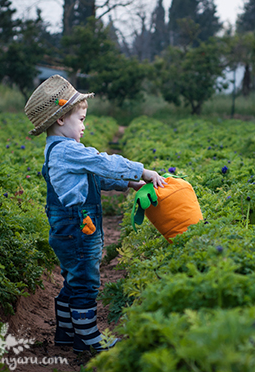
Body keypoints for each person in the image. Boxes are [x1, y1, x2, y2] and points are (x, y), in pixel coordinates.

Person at [24, 75, 166, 353]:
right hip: (80, 227)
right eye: (81, 119)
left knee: (73, 279)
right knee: (86, 282)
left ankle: (66, 332)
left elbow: (93, 178)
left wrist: (128, 183)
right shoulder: (67, 150)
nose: (84, 126)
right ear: (62, 119)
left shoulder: (56, 151)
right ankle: (88, 340)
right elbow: (102, 162)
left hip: (67, 228)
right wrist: (142, 171)